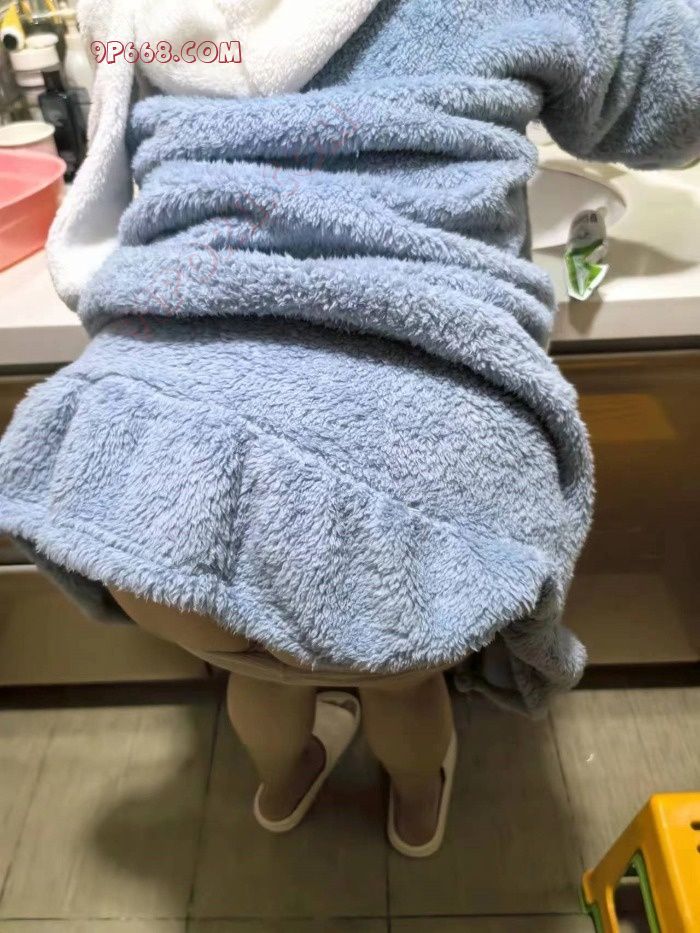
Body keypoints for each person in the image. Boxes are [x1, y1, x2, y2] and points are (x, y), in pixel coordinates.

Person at [1, 0, 698, 857]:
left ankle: (284, 784)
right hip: (412, 496)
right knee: (400, 684)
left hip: (162, 465)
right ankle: (415, 808)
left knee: (260, 670)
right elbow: (673, 94)